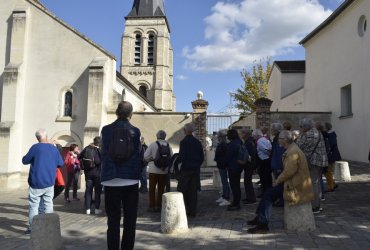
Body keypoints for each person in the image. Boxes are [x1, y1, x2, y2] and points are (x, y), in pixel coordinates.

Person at [247, 130, 314, 234]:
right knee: (267, 193)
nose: (278, 140)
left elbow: (289, 171)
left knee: (268, 195)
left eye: (280, 139)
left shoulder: (292, 152)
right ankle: (260, 218)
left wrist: (277, 181)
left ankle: (262, 225)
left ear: (285, 140)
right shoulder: (292, 148)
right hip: (291, 181)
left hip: (295, 185)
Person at [101, 101, 142, 250]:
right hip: (130, 179)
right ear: (131, 114)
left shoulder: (105, 130)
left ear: (116, 113)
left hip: (111, 180)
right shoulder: (135, 131)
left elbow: (103, 152)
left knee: (112, 221)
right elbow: (137, 154)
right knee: (130, 221)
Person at [22, 129, 64, 234]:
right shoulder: (54, 149)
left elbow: (25, 160)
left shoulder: (35, 147)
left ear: (37, 138)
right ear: (46, 136)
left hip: (36, 182)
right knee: (48, 204)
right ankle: (48, 227)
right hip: (49, 182)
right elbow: (60, 163)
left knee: (34, 206)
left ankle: (33, 228)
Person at [296, 118, 328, 214]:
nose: (300, 128)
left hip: (313, 161)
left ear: (305, 127)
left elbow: (298, 146)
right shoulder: (316, 132)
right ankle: (316, 204)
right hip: (319, 161)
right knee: (317, 182)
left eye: (301, 127)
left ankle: (315, 206)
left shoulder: (309, 134)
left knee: (314, 183)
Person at [177, 123, 204, 217]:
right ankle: (192, 211)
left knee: (182, 190)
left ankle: (183, 210)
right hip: (195, 170)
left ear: (185, 131)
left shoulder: (183, 142)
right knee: (193, 191)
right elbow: (202, 157)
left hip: (186, 169)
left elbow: (181, 156)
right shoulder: (197, 142)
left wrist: (180, 165)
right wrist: (197, 165)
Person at [144, 130, 173, 212]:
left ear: (157, 136)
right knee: (161, 189)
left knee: (152, 189)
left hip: (153, 170)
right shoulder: (168, 145)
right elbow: (171, 157)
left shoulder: (153, 145)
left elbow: (145, 156)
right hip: (163, 171)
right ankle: (159, 205)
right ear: (165, 137)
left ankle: (151, 206)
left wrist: (152, 159)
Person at [79, 136, 103, 215]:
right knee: (97, 192)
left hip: (88, 174)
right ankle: (96, 209)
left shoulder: (87, 148)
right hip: (97, 174)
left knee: (88, 191)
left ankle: (88, 209)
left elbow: (79, 156)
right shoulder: (99, 149)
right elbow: (100, 161)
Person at [224, 129, 244, 211]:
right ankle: (236, 202)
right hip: (239, 166)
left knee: (234, 186)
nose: (227, 136)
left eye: (228, 135)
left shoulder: (232, 144)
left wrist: (223, 164)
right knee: (237, 186)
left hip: (233, 167)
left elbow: (228, 157)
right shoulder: (239, 142)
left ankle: (236, 204)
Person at [240, 128, 257, 205]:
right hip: (249, 164)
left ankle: (251, 198)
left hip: (249, 165)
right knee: (247, 182)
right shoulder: (248, 141)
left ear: (246, 134)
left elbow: (250, 155)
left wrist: (244, 161)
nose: (241, 135)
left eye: (242, 133)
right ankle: (249, 197)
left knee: (247, 182)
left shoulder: (249, 143)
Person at [214, 130, 231, 206]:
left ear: (221, 137)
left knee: (224, 182)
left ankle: (227, 198)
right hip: (221, 165)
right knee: (223, 182)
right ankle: (224, 196)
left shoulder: (224, 144)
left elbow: (225, 156)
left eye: (218, 136)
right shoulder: (221, 144)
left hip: (223, 165)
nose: (217, 137)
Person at [253, 128, 272, 196]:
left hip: (263, 161)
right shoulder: (266, 139)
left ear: (257, 135)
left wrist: (269, 154)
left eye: (254, 136)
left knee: (264, 178)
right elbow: (270, 147)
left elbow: (265, 149)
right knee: (267, 178)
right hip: (267, 160)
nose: (254, 137)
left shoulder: (259, 141)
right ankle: (268, 191)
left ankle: (265, 193)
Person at [325, 122, 341, 192]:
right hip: (331, 154)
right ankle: (333, 184)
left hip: (330, 155)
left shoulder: (331, 134)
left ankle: (330, 186)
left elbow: (331, 144)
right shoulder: (331, 133)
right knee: (328, 171)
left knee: (328, 171)